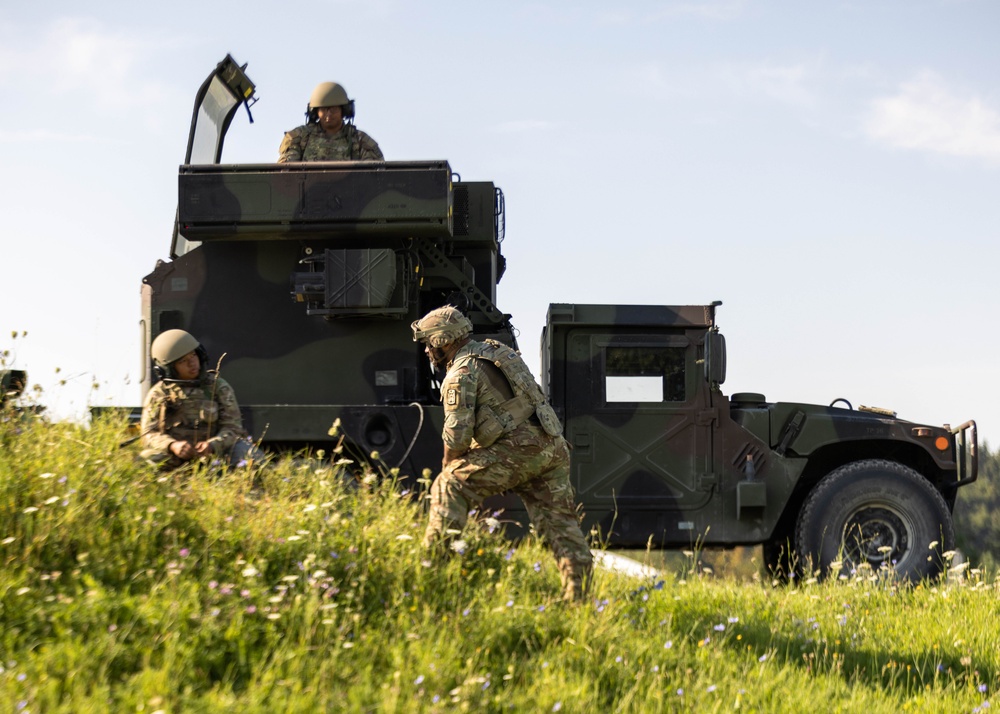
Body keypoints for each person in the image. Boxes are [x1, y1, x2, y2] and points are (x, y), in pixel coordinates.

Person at [411, 306, 593, 602]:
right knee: (561, 526)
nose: (427, 351)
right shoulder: (497, 351)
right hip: (552, 446)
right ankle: (580, 601)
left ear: (444, 340)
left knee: (449, 485)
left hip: (517, 451)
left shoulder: (459, 374)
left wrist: (449, 466)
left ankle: (430, 578)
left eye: (429, 343)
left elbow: (457, 437)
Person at [140, 330, 257, 470]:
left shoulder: (217, 387)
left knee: (249, 455)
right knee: (144, 461)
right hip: (175, 457)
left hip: (215, 456)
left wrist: (213, 445)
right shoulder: (158, 394)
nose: (192, 363)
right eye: (183, 361)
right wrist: (172, 445)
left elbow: (233, 428)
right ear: (170, 368)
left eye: (193, 355)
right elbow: (148, 435)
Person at [277, 81, 384, 162]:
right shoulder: (299, 137)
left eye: (333, 109)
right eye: (323, 109)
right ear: (315, 112)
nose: (328, 114)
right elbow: (286, 169)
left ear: (344, 110)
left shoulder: (359, 140)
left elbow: (375, 173)